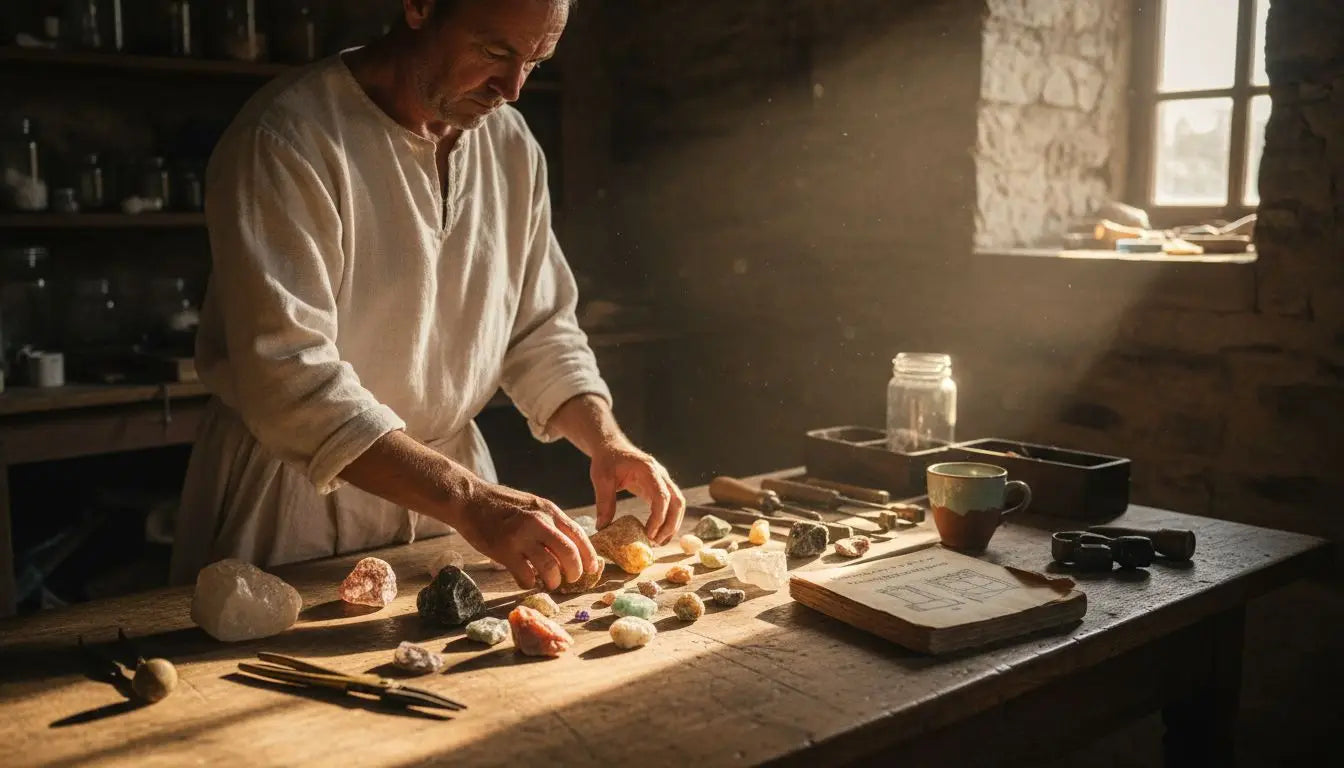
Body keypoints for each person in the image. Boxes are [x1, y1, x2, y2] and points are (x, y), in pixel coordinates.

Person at [170, 0, 684, 592]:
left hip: (458, 503)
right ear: (418, 6)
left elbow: (538, 329)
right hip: (299, 499)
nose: (512, 88)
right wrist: (471, 501)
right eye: (495, 52)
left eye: (535, 62)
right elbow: (291, 378)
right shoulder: (288, 138)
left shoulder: (511, 146)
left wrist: (607, 442)